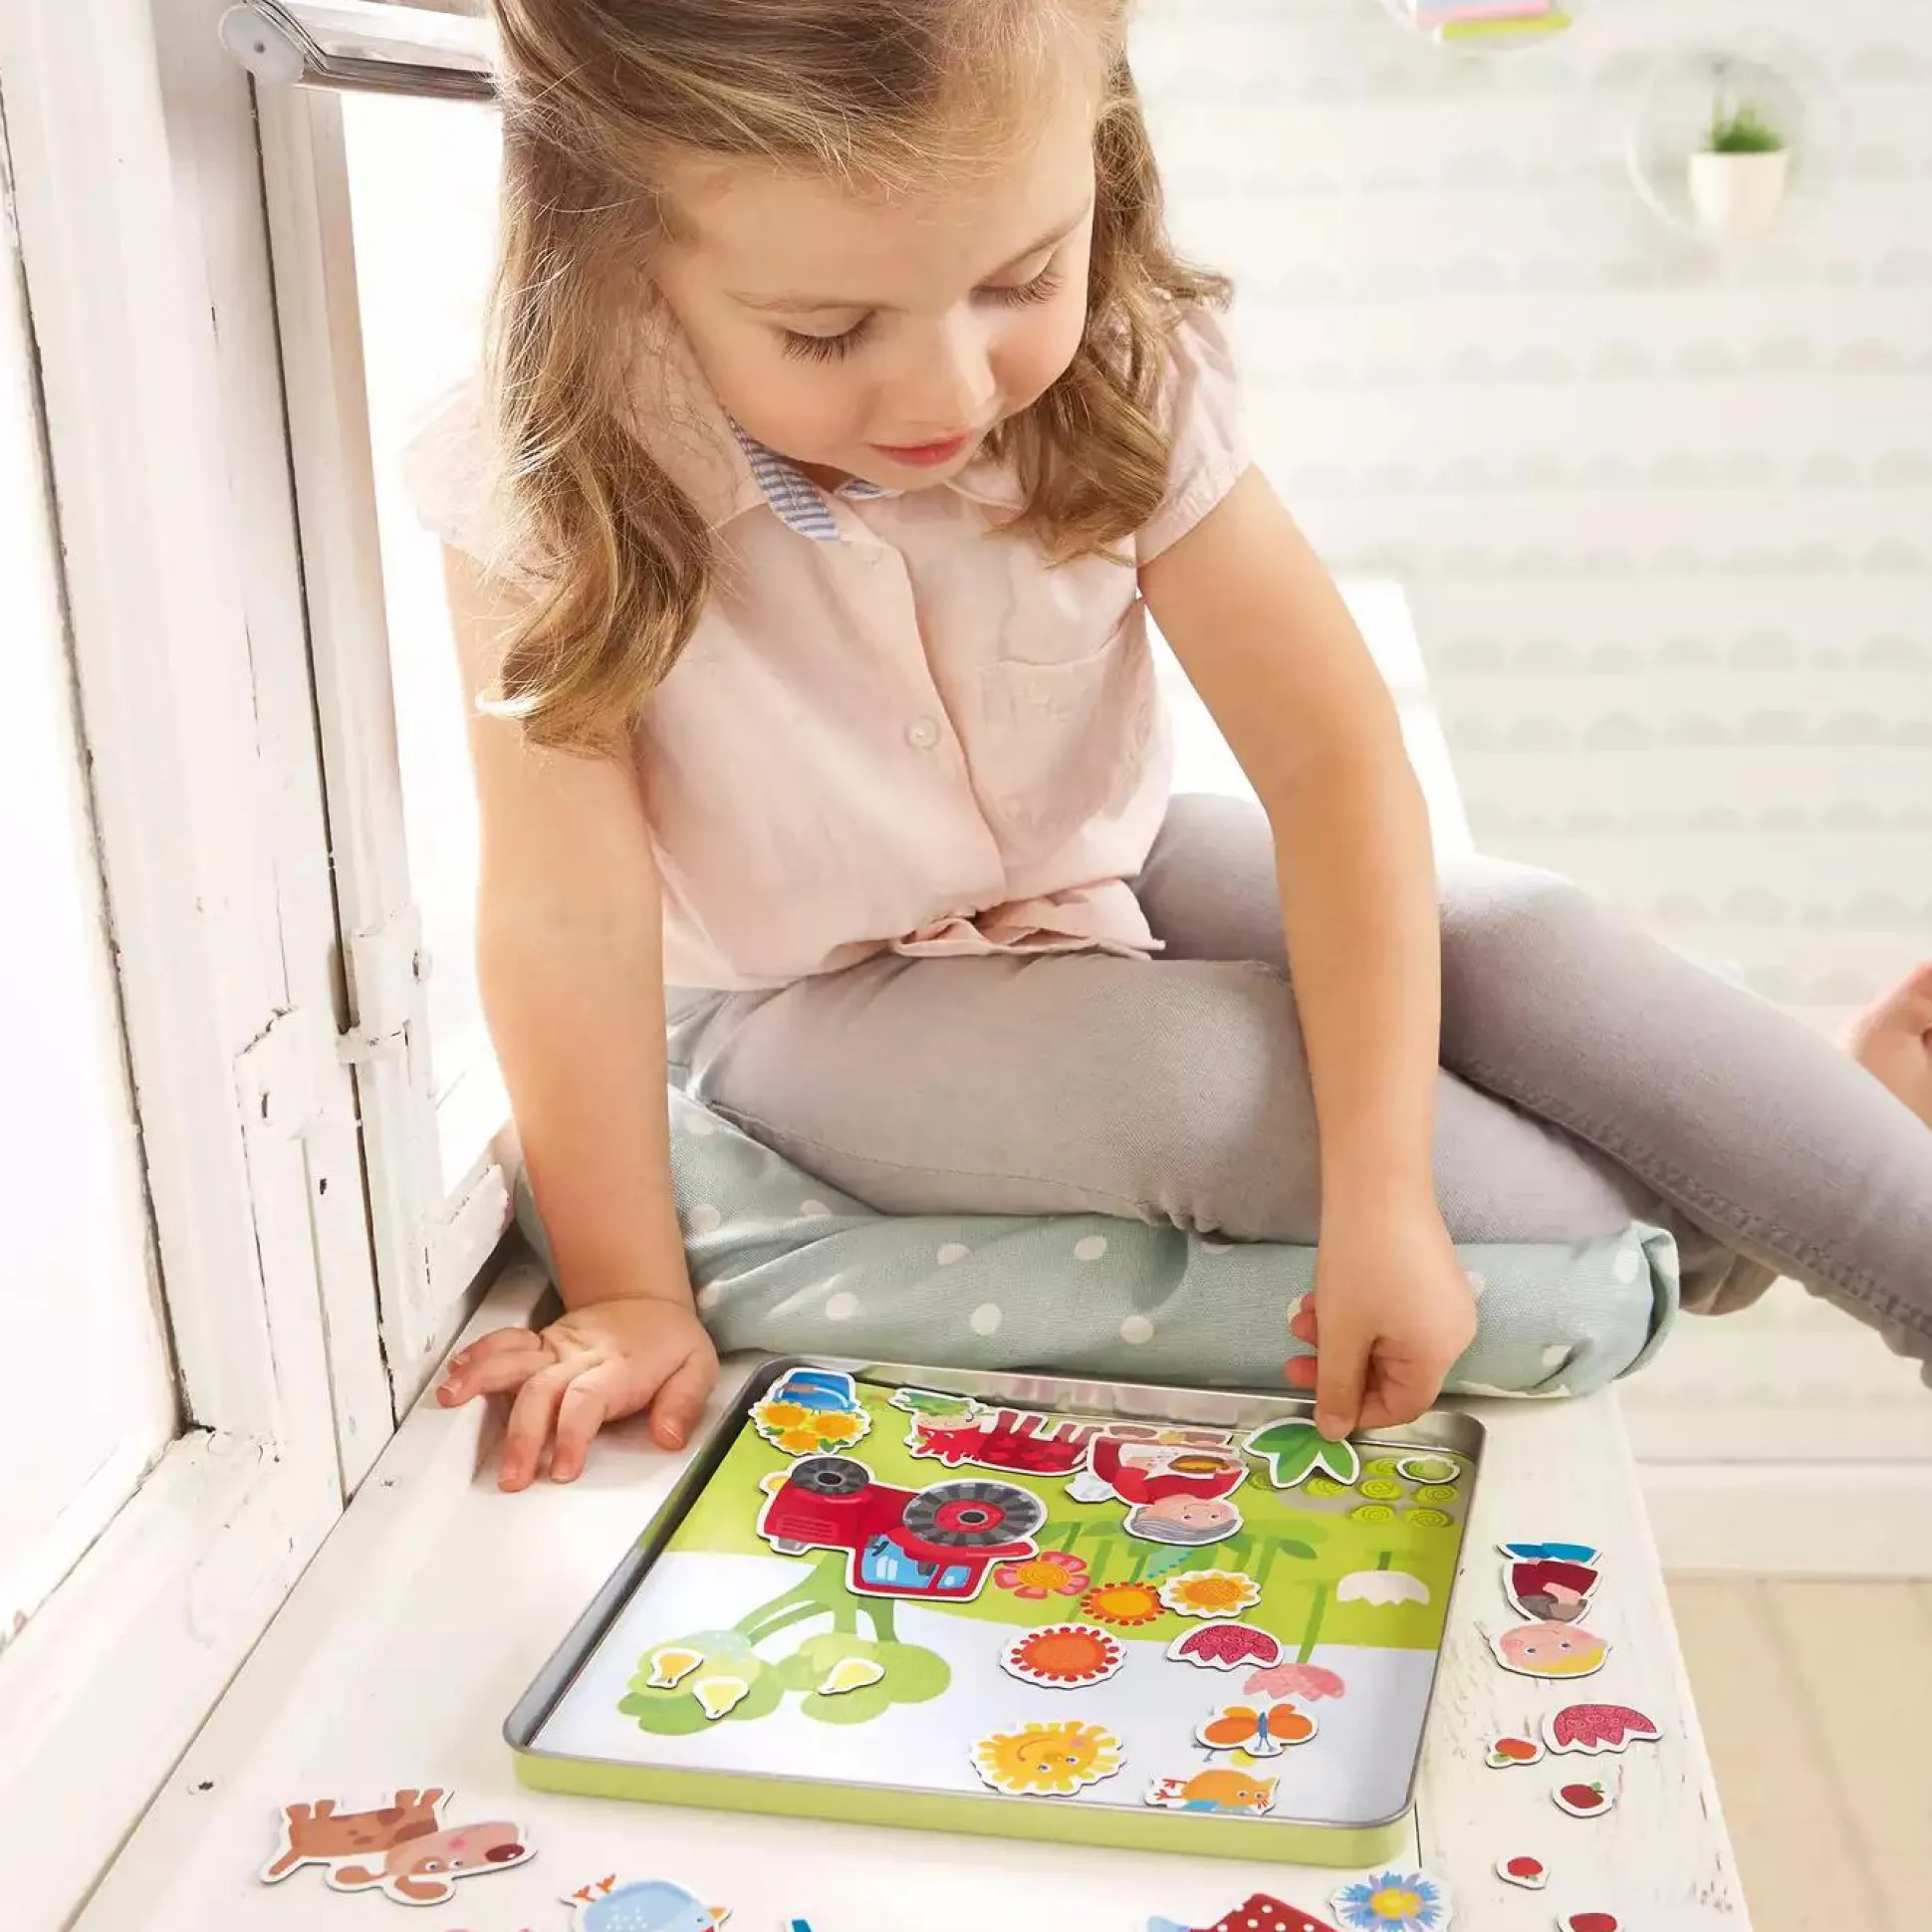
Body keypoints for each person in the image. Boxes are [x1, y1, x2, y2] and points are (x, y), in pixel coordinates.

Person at [418, 0, 1932, 1492]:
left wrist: (1386, 1191)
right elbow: (564, 914)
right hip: (797, 996)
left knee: (1525, 940)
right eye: (828, 332)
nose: (953, 391)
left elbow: (1333, 762)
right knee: (1208, 1085)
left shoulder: (1117, 370)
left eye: (1021, 278)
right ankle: (1779, 1181)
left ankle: (1870, 1215)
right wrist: (630, 1291)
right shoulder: (551, 480)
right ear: (618, 251)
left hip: (1103, 860)